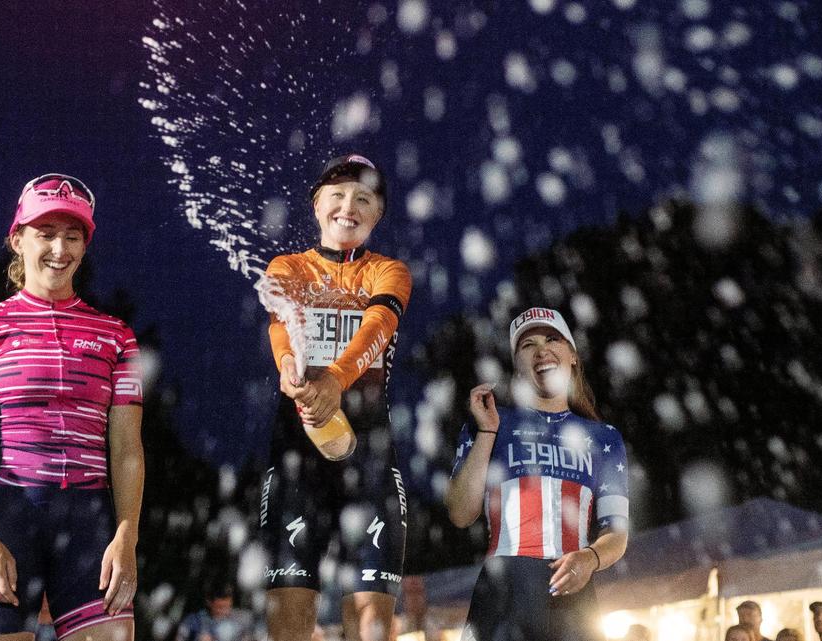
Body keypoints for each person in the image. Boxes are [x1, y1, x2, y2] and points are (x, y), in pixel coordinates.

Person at [0, 174, 145, 641]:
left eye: (72, 236)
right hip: (9, 518)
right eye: (45, 234)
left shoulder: (117, 336)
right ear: (17, 239)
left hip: (90, 526)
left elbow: (128, 450)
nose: (60, 248)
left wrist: (127, 536)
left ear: (85, 245)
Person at [258, 154, 412, 641]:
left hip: (370, 456)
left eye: (364, 199)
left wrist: (336, 380)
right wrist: (288, 367)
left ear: (378, 214)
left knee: (371, 627)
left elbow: (377, 327)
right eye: (338, 195)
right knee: (288, 623)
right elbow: (281, 330)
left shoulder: (389, 271)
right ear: (317, 204)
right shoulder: (288, 267)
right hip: (295, 459)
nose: (349, 206)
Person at [446, 307, 630, 641]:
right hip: (503, 592)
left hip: (574, 596)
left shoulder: (605, 438)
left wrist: (590, 558)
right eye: (527, 345)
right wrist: (487, 432)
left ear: (572, 355)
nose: (541, 349)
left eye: (552, 339)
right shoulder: (489, 421)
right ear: (517, 364)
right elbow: (460, 514)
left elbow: (617, 534)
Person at [174, 584, 254, 641]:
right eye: (220, 607)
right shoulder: (193, 621)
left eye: (227, 607)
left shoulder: (241, 620)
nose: (224, 611)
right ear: (209, 602)